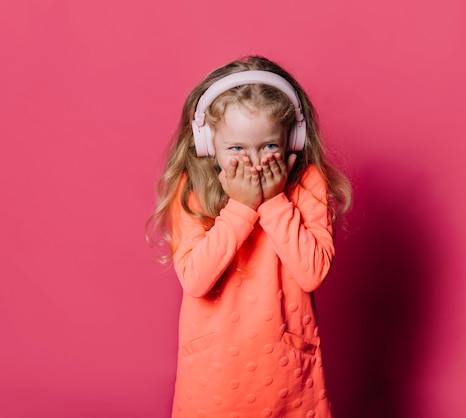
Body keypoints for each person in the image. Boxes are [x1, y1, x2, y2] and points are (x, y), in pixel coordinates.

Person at [147, 55, 352, 417]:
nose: (255, 163)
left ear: (293, 139)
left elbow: (312, 272)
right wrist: (240, 208)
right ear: (208, 143)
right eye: (237, 149)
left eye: (269, 146)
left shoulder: (307, 184)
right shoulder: (192, 189)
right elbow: (195, 279)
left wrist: (273, 202)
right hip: (214, 375)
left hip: (287, 373)